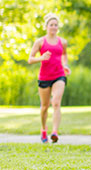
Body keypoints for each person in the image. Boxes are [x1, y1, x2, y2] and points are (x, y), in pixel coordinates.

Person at [28, 13, 71, 143]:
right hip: (44, 77)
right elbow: (30, 59)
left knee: (56, 103)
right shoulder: (40, 42)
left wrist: (65, 65)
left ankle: (55, 132)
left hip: (59, 75)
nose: (53, 27)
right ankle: (43, 129)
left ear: (58, 27)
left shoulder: (63, 42)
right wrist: (41, 58)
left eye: (56, 25)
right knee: (45, 107)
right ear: (46, 26)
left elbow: (64, 55)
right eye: (51, 25)